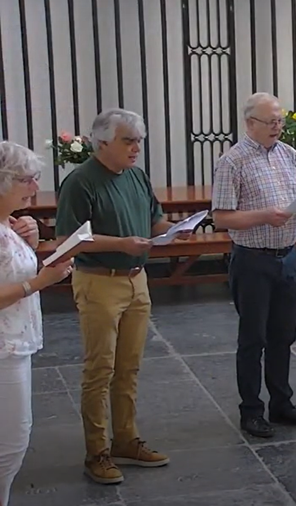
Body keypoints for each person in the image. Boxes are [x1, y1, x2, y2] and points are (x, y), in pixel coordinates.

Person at [55, 109, 178, 484]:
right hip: (99, 281)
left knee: (128, 368)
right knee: (100, 369)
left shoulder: (137, 177)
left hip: (136, 280)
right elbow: (67, 241)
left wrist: (175, 230)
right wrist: (121, 244)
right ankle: (98, 452)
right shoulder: (81, 182)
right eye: (129, 140)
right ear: (102, 142)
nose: (136, 147)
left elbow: (154, 220)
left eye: (139, 140)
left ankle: (126, 439)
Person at [211, 92, 296, 437]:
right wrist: (263, 216)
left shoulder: (290, 155)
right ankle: (251, 410)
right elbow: (221, 218)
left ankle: (281, 403)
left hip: (287, 256)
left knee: (283, 335)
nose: (277, 127)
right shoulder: (232, 162)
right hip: (252, 260)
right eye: (270, 122)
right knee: (253, 338)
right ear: (249, 124)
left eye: (279, 121)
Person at [0, 142, 74, 506]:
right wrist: (40, 282)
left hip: (16, 340)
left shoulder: (8, 224)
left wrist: (30, 241)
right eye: (26, 180)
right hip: (3, 347)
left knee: (12, 439)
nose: (34, 187)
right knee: (12, 442)